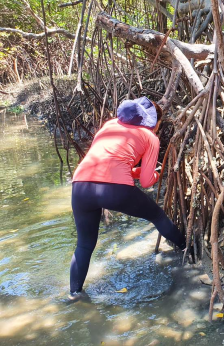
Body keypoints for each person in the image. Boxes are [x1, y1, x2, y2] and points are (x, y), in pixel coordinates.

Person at [69, 96, 185, 301]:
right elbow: (149, 181)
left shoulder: (110, 125)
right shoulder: (150, 137)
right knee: (157, 216)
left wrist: (134, 171)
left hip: (80, 186)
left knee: (85, 245)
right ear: (153, 122)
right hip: (115, 190)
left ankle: (74, 295)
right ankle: (187, 250)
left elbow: (110, 161)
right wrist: (160, 172)